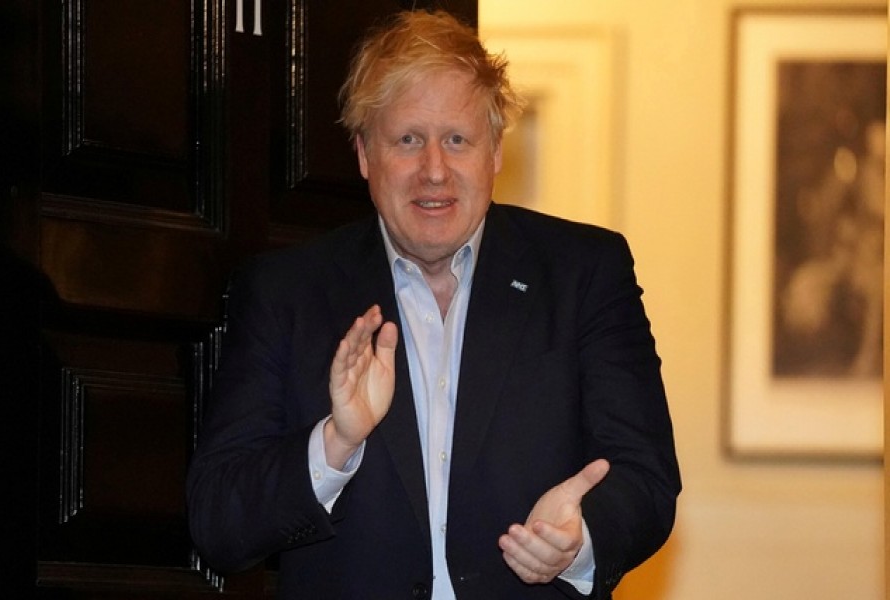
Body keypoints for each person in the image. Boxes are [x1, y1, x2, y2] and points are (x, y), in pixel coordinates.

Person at [186, 9, 680, 600]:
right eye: (408, 140)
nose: (435, 172)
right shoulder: (286, 292)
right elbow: (217, 521)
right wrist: (335, 444)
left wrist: (581, 540)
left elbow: (646, 478)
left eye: (457, 140)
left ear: (495, 151)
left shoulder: (584, 273)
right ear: (365, 154)